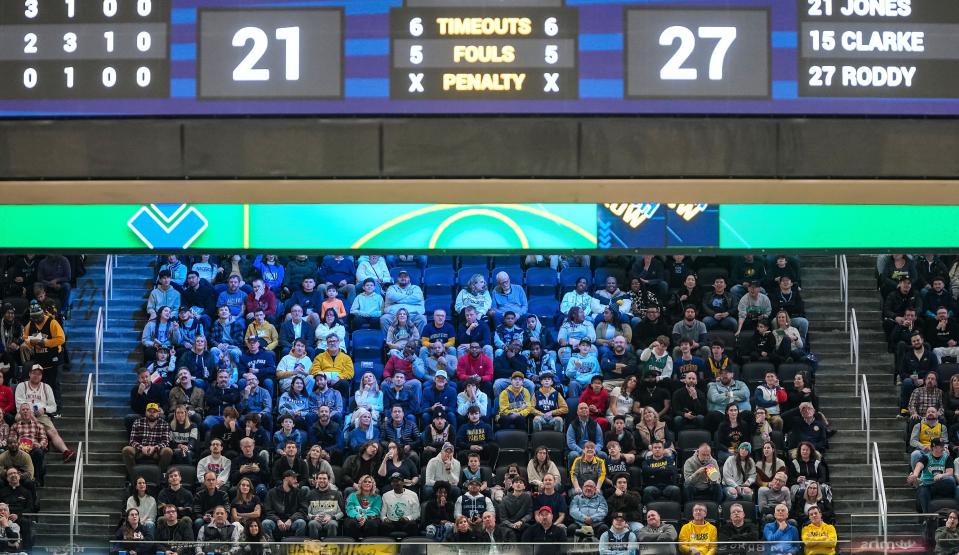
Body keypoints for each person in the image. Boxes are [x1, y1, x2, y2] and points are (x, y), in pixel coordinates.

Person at [122, 402, 171, 475]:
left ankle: (159, 475)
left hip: (156, 452)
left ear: (158, 413)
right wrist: (142, 448)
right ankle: (134, 476)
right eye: (149, 411)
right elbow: (132, 441)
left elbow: (166, 442)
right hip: (140, 451)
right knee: (126, 450)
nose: (151, 413)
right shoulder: (137, 422)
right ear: (145, 412)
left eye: (154, 412)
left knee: (168, 451)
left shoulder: (164, 424)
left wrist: (154, 448)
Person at [344, 474, 382, 539]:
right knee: (351, 523)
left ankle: (370, 546)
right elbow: (349, 509)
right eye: (365, 481)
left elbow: (375, 511)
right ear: (361, 484)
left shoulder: (377, 497)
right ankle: (353, 545)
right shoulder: (352, 495)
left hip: (370, 518)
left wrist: (365, 517)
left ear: (372, 485)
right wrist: (358, 516)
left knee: (371, 523)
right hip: (355, 517)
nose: (367, 483)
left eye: (369, 482)